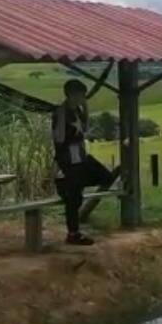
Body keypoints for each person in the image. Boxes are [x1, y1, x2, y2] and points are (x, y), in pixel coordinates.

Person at [52, 79, 112, 246]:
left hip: (81, 156)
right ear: (72, 94)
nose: (83, 98)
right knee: (74, 198)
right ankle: (73, 234)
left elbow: (83, 128)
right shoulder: (61, 112)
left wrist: (85, 107)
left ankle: (69, 185)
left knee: (106, 177)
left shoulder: (77, 110)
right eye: (81, 95)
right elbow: (58, 139)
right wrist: (61, 163)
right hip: (69, 160)